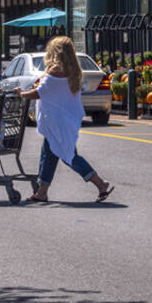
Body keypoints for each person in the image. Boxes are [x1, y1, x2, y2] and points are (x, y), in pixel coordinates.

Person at [19, 35, 113, 204]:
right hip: (66, 120)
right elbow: (54, 91)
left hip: (56, 121)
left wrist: (21, 93)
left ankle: (100, 183)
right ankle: (42, 191)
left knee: (68, 155)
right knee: (49, 153)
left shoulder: (55, 69)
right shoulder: (73, 70)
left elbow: (40, 93)